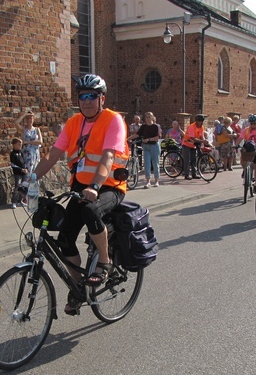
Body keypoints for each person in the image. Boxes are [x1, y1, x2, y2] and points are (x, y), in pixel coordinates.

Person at [32, 74, 128, 315]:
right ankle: (78, 289)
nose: (86, 101)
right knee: (64, 237)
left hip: (109, 187)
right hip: (80, 187)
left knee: (90, 211)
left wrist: (95, 187)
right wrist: (29, 180)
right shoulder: (74, 122)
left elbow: (107, 156)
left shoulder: (113, 120)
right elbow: (52, 156)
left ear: (101, 98)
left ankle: (104, 262)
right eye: (82, 96)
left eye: (91, 96)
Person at [237, 114, 256, 191]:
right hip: (248, 149)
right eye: (251, 123)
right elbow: (240, 138)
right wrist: (236, 145)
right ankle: (245, 170)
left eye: (254, 123)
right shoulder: (246, 130)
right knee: (242, 160)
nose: (253, 125)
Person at [137, 111, 161, 188]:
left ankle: (156, 181)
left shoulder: (156, 126)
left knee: (155, 163)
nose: (147, 118)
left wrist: (148, 139)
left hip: (154, 146)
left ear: (152, 118)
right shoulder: (143, 127)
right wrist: (127, 138)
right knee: (147, 164)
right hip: (146, 147)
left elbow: (157, 137)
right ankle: (148, 181)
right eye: (146, 117)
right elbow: (137, 134)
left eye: (149, 117)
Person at [182, 114, 208, 179]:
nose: (201, 122)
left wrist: (205, 141)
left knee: (194, 159)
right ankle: (186, 175)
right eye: (199, 121)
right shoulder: (191, 127)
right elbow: (192, 138)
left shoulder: (202, 127)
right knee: (187, 160)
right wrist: (202, 141)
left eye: (202, 121)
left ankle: (194, 174)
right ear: (196, 121)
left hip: (194, 145)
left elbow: (202, 136)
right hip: (187, 144)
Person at [9, 137, 28, 209]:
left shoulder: (21, 152)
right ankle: (14, 202)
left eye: (21, 144)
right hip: (18, 173)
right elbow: (13, 164)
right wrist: (21, 169)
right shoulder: (13, 154)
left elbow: (24, 162)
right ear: (14, 145)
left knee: (23, 187)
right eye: (18, 144)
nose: (20, 145)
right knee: (17, 187)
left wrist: (26, 169)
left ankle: (20, 201)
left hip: (24, 173)